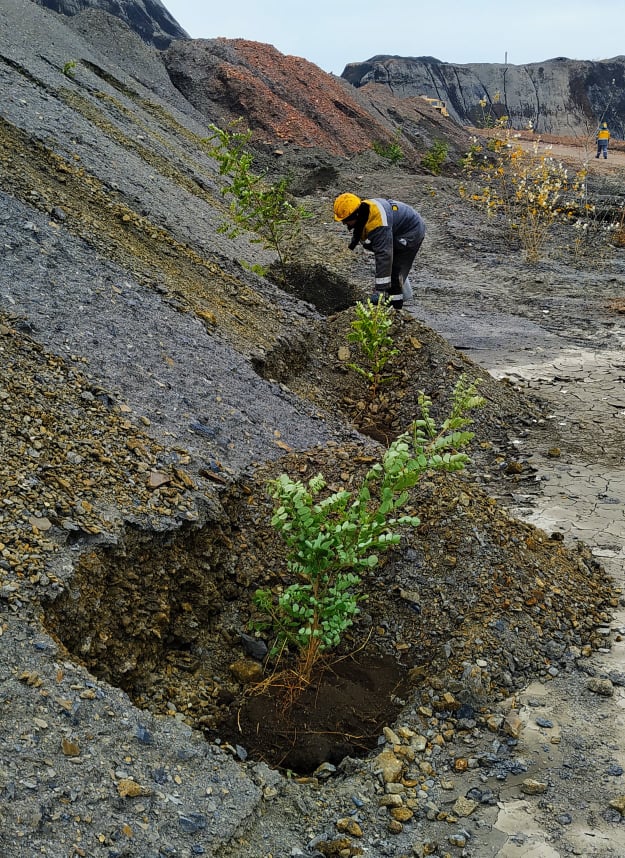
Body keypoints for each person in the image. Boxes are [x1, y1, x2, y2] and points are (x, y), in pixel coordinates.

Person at [333, 193, 426, 310]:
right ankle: (396, 297)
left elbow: (384, 255)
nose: (344, 223)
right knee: (392, 268)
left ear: (355, 215)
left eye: (346, 220)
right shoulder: (364, 211)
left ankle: (396, 308)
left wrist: (379, 290)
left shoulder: (378, 223)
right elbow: (361, 231)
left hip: (412, 231)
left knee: (395, 273)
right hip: (397, 228)